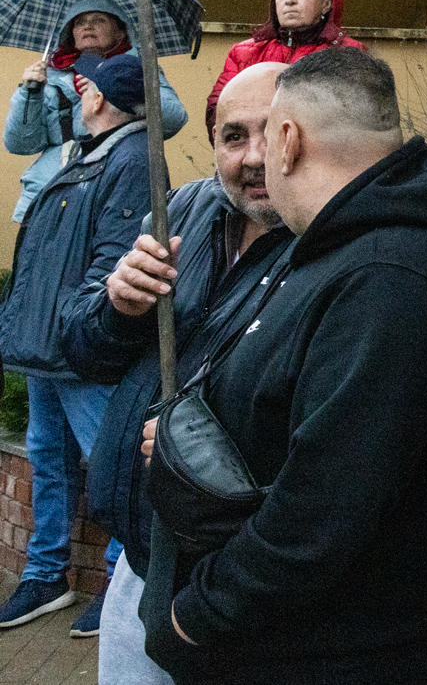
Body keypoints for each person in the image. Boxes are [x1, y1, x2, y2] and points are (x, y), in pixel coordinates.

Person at [138, 47, 427, 684]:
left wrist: (194, 617)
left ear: (289, 140)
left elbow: (322, 508)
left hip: (352, 657)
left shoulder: (388, 276)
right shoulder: (336, 251)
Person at [61, 62, 295, 684]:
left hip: (237, 579)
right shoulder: (182, 211)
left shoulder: (327, 242)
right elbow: (85, 352)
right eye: (233, 136)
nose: (253, 157)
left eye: (272, 132)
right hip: (143, 554)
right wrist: (118, 306)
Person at [0, 54, 150, 636]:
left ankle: (120, 582)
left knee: (113, 465)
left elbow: (113, 259)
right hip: (49, 347)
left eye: (86, 88)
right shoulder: (88, 152)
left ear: (100, 98)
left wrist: (74, 330)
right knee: (48, 460)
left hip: (79, 349)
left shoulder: (131, 159)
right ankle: (46, 576)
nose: (80, 95)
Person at [7, 1, 187, 225]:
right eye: (79, 22)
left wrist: (110, 81)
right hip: (48, 195)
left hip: (111, 191)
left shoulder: (138, 70)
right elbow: (21, 145)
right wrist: (29, 93)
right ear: (70, 33)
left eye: (99, 20)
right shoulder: (50, 77)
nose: (87, 27)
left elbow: (173, 119)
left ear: (121, 31)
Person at [205, 0, 364, 140]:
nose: (290, 0)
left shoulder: (349, 52)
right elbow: (217, 111)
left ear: (326, 4)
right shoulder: (244, 52)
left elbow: (357, 118)